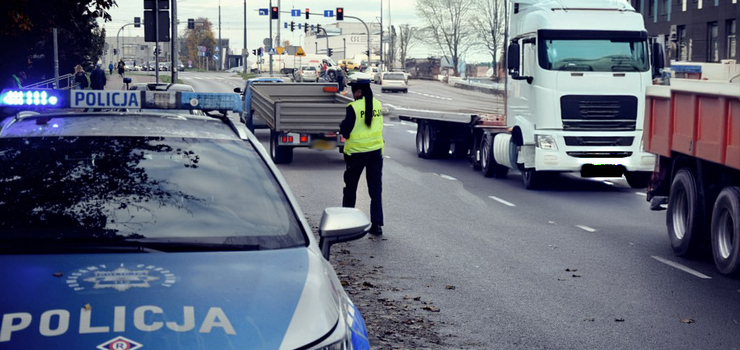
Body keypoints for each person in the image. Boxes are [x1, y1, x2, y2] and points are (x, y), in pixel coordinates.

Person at [339, 79, 384, 235]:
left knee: (351, 188)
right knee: (375, 189)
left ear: (358, 92)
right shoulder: (378, 104)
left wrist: (342, 126)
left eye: (354, 92)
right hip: (376, 153)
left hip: (357, 154)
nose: (353, 95)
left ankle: (346, 223)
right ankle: (377, 224)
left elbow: (346, 130)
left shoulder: (354, 107)